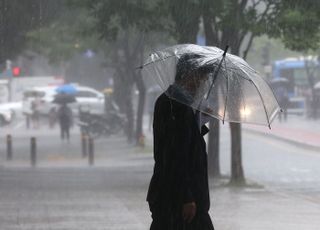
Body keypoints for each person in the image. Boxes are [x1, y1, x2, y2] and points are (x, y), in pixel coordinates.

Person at [147, 54, 214, 230]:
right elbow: (175, 155)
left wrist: (198, 120)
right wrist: (186, 196)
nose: (203, 83)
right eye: (202, 77)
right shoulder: (176, 106)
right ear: (189, 75)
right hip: (177, 201)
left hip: (178, 198)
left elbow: (184, 142)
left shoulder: (176, 102)